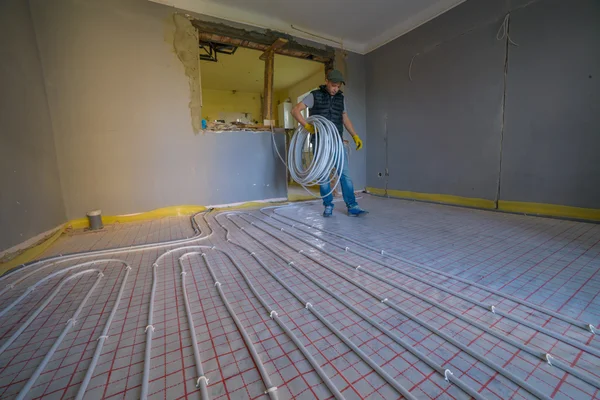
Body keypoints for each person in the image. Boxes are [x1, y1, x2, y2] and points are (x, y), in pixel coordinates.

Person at [291, 69, 368, 217]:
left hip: (337, 142)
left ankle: (352, 206)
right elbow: (295, 111)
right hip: (321, 144)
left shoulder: (340, 98)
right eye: (333, 85)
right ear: (326, 81)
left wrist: (355, 136)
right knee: (324, 177)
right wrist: (307, 126)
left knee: (345, 175)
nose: (335, 89)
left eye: (338, 86)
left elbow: (344, 118)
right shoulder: (314, 95)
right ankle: (328, 206)